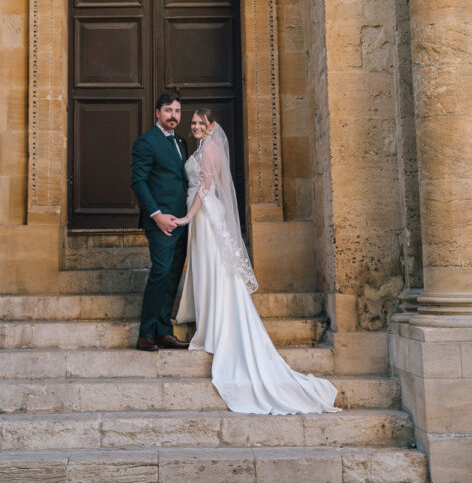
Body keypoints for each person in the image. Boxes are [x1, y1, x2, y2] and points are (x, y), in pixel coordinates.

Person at [175, 107, 340, 415]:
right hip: (206, 217)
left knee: (213, 271)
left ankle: (214, 328)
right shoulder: (203, 147)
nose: (196, 127)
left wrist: (187, 216)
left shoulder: (209, 149)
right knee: (209, 272)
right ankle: (210, 323)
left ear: (211, 126)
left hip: (206, 218)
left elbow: (205, 187)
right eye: (194, 123)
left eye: (201, 123)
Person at [131, 92, 190, 352]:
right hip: (160, 222)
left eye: (177, 110)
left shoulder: (181, 142)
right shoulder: (146, 142)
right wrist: (156, 215)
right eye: (168, 110)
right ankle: (146, 334)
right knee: (161, 272)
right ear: (158, 113)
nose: (173, 115)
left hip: (182, 221)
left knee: (174, 274)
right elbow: (138, 181)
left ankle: (164, 331)